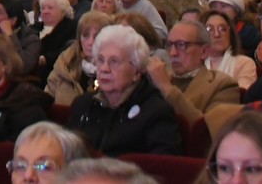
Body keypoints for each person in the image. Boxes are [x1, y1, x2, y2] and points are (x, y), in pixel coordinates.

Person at [66, 25, 182, 156]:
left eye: (114, 61)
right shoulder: (83, 104)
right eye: (100, 60)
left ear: (137, 72)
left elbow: (161, 169)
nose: (104, 68)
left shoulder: (156, 112)